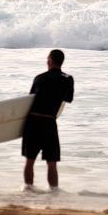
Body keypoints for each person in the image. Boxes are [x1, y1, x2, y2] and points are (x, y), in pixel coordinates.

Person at [22, 49, 74, 191]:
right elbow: (68, 99)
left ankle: (28, 189)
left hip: (32, 122)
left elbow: (29, 99)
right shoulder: (68, 79)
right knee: (52, 162)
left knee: (29, 160)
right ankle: (54, 192)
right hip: (49, 123)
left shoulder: (39, 78)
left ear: (50, 60)